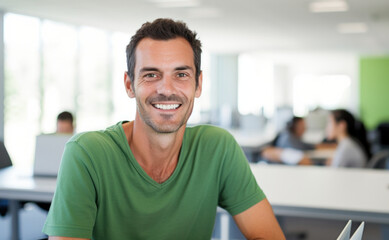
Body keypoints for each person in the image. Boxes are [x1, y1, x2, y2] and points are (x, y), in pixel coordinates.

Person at [43, 19, 285, 240]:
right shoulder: (87, 153)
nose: (166, 89)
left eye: (181, 74)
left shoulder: (217, 147)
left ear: (198, 84)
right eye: (151, 74)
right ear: (129, 85)